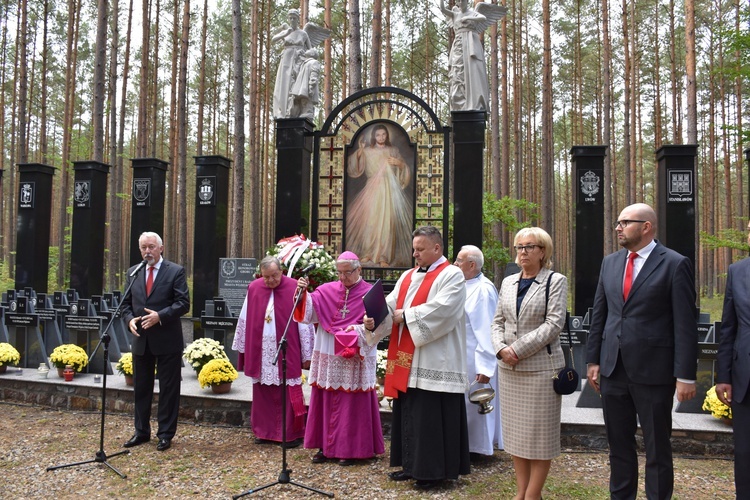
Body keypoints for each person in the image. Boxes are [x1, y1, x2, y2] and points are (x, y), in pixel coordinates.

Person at [586, 203, 697, 500]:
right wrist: (593, 359)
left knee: (657, 447)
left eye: (625, 222)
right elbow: (602, 313)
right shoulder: (610, 263)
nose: (618, 227)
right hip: (613, 369)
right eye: (618, 223)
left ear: (646, 227)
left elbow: (685, 324)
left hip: (654, 371)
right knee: (619, 446)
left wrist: (685, 374)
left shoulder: (675, 263)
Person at [363, 226, 469, 490]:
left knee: (431, 417)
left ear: (437, 248)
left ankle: (433, 472)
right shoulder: (409, 276)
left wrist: (407, 316)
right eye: (414, 249)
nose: (415, 254)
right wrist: (373, 317)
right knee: (409, 412)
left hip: (436, 359)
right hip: (407, 359)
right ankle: (410, 465)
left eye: (420, 249)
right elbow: (391, 304)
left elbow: (444, 310)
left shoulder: (452, 275)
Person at [491, 227, 567, 500]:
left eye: (529, 247)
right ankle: (520, 492)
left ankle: (533, 495)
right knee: (517, 437)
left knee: (540, 438)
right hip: (509, 370)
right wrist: (501, 349)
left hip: (540, 370)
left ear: (543, 251)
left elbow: (554, 324)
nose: (523, 252)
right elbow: (497, 321)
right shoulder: (509, 282)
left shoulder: (555, 281)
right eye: (519, 247)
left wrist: (517, 349)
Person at [293, 251, 385, 466]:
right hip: (328, 350)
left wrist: (361, 329)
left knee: (353, 402)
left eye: (348, 273)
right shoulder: (325, 291)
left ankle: (353, 450)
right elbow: (306, 315)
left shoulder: (371, 294)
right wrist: (301, 294)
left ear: (359, 270)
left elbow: (381, 327)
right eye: (339, 273)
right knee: (325, 397)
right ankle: (325, 446)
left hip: (355, 356)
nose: (342, 278)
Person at [232, 255, 314, 447]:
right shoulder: (254, 288)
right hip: (261, 348)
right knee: (262, 391)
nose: (270, 280)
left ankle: (290, 434)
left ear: (281, 271)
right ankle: (264, 431)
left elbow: (303, 321)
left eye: (274, 276)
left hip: (287, 346)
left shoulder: (295, 286)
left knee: (287, 390)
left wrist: (306, 352)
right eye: (266, 277)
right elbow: (245, 318)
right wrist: (244, 348)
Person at [121, 232, 190, 452]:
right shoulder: (133, 272)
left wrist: (160, 315)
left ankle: (165, 434)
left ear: (161, 248)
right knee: (141, 388)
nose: (147, 251)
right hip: (141, 340)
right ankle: (141, 432)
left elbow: (183, 303)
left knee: (169, 389)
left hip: (167, 339)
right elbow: (125, 305)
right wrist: (130, 320)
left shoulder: (175, 271)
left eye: (151, 247)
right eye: (143, 247)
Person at [455, 245, 503, 459]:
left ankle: (479, 448)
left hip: (476, 357)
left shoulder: (483, 290)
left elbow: (486, 329)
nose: (454, 264)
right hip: (461, 354)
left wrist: (485, 365)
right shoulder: (462, 285)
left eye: (458, 261)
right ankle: (467, 444)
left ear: (471, 265)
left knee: (476, 400)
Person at [346, 123, 412, 267]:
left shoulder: (393, 150)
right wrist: (360, 151)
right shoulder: (367, 151)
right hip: (372, 189)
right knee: (369, 221)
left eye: (383, 134)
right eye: (378, 134)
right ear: (373, 136)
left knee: (387, 222)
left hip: (389, 190)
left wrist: (399, 164)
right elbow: (352, 166)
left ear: (387, 136)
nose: (381, 137)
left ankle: (384, 256)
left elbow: (404, 169)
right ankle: (367, 253)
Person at [716, 220, 750, 499]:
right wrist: (723, 376)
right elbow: (728, 327)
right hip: (744, 377)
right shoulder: (737, 271)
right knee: (744, 451)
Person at [440, 0, 506, 111]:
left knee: (473, 71)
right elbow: (443, 9)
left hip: (471, 44)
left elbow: (483, 18)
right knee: (457, 72)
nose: (460, 3)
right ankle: (459, 103)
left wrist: (468, 18)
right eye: (458, 1)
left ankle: (474, 103)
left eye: (462, 0)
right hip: (458, 45)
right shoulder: (455, 13)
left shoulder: (473, 11)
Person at [271, 9, 311, 119]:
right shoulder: (286, 31)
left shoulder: (303, 33)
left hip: (299, 60)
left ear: (298, 19)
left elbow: (310, 50)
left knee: (296, 86)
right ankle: (282, 112)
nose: (292, 20)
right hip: (286, 61)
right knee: (283, 84)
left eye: (294, 18)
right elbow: (273, 39)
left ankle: (295, 111)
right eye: (290, 18)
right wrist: (285, 33)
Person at [288, 48, 321, 120]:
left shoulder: (314, 62)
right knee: (302, 101)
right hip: (302, 87)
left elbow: (314, 75)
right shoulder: (305, 62)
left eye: (310, 50)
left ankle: (308, 113)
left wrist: (311, 87)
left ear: (312, 54)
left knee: (307, 101)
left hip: (307, 87)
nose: (307, 50)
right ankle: (303, 113)